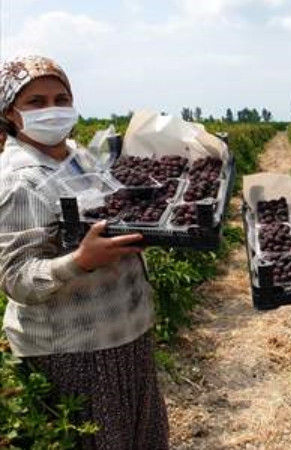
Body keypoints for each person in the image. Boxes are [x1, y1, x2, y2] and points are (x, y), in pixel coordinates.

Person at [0, 55, 169, 448]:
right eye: (36, 102)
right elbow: (17, 280)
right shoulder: (17, 182)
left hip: (127, 337)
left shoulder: (82, 158)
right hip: (77, 354)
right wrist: (80, 261)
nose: (53, 110)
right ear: (11, 113)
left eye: (61, 98)